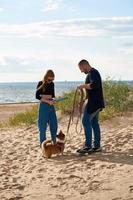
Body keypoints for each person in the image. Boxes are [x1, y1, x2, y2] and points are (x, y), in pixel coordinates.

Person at [77, 59, 105, 154]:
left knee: (85, 121)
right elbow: (92, 90)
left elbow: (93, 85)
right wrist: (84, 100)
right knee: (94, 123)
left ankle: (88, 146)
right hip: (96, 102)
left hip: (94, 103)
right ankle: (96, 146)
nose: (81, 71)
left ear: (85, 65)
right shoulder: (92, 73)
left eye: (81, 68)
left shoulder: (93, 72)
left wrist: (82, 86)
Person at [36, 69, 57, 146]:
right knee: (42, 127)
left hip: (51, 106)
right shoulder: (40, 83)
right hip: (43, 107)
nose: (50, 81)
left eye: (52, 80)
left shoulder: (52, 84)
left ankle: (54, 144)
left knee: (54, 126)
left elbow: (53, 96)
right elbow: (37, 96)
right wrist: (48, 100)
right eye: (49, 80)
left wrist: (54, 100)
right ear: (46, 77)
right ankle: (43, 146)